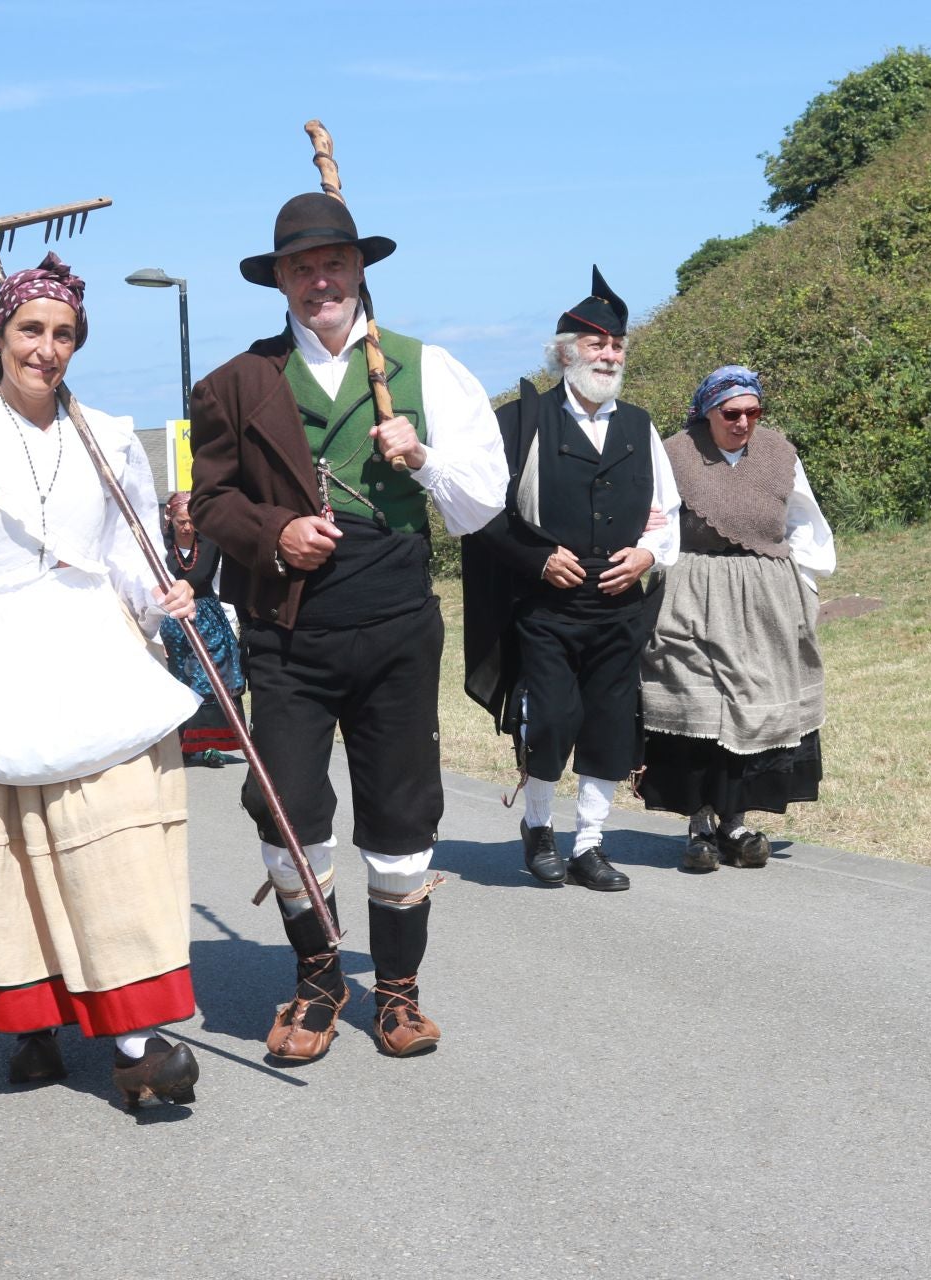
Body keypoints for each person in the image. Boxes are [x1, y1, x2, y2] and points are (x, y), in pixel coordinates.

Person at [0, 252, 204, 1109]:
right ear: (0, 333)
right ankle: (33, 1028)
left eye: (64, 334)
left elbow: (127, 556)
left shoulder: (109, 433)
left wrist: (161, 592)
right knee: (20, 860)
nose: (47, 349)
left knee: (117, 841)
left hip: (96, 654)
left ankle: (133, 1040)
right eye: (32, 330)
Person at [189, 192, 507, 1061]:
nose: (318, 279)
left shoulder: (426, 369)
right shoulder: (234, 383)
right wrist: (275, 535)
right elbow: (211, 502)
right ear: (280, 280)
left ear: (360, 269)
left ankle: (397, 993)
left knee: (404, 810)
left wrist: (424, 456)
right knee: (283, 807)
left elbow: (484, 506)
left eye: (333, 263)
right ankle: (320, 979)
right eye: (301, 267)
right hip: (288, 630)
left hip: (398, 620)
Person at [461, 268, 681, 892]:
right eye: (595, 344)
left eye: (616, 346)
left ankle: (590, 843)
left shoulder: (640, 426)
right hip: (545, 608)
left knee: (611, 724)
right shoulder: (521, 424)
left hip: (619, 608)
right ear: (564, 352)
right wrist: (535, 559)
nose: (608, 355)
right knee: (552, 719)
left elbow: (668, 513)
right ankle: (538, 828)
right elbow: (482, 513)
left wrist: (645, 555)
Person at [637, 366, 835, 871]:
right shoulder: (675, 453)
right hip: (693, 592)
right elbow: (653, 515)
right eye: (732, 413)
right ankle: (700, 825)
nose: (743, 422)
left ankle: (737, 822)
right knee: (699, 706)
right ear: (708, 411)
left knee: (754, 706)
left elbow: (802, 520)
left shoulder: (777, 454)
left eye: (752, 412)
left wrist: (804, 587)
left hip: (766, 595)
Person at [158, 491, 244, 768]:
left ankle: (209, 745)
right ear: (170, 520)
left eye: (191, 521)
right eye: (181, 521)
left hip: (205, 613)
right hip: (169, 616)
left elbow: (214, 582)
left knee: (212, 677)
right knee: (176, 679)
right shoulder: (160, 547)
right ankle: (176, 745)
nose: (186, 527)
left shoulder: (209, 544)